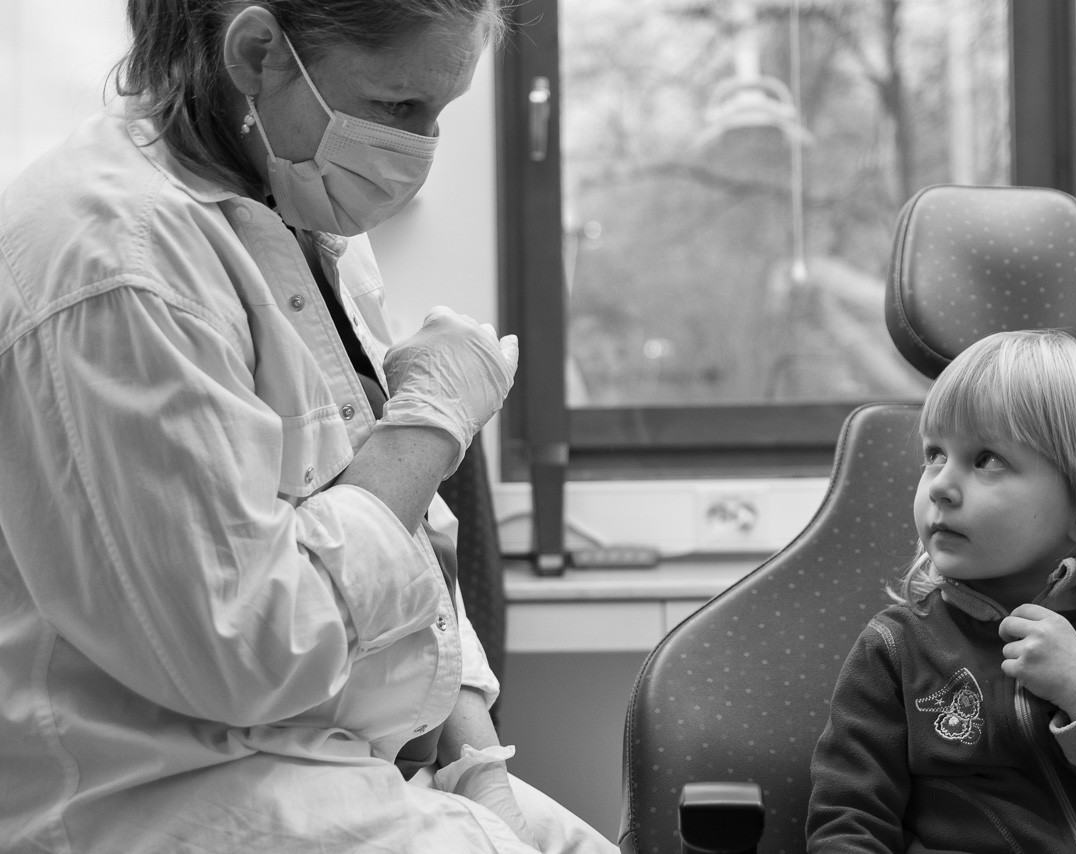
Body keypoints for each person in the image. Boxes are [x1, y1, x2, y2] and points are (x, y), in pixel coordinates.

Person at [0, 2, 617, 853]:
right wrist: (427, 430)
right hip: (164, 796)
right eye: (400, 108)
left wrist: (483, 768)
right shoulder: (120, 265)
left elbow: (404, 548)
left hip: (325, 764)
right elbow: (245, 643)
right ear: (259, 54)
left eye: (441, 113)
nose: (422, 150)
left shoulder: (295, 206)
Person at [807, 330, 1076, 854]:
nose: (939, 484)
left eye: (986, 460)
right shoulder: (896, 649)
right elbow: (849, 823)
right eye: (934, 454)